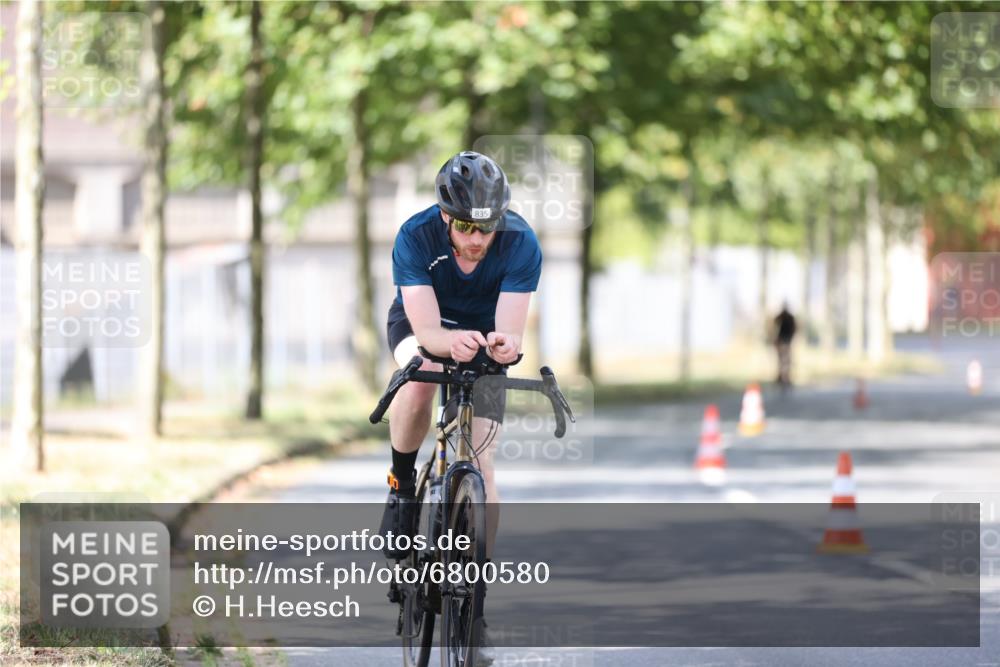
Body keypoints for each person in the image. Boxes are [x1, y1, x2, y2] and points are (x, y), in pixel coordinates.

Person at [379, 150, 542, 664]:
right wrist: (450, 343)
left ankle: (476, 604)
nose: (477, 240)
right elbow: (426, 332)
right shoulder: (416, 236)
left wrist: (505, 348)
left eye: (487, 229)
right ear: (446, 216)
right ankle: (403, 484)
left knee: (483, 460)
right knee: (420, 380)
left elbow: (512, 332)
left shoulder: (521, 243)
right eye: (467, 227)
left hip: (483, 337)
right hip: (422, 325)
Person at [773, 302, 797, 388]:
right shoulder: (782, 316)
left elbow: (794, 328)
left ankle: (785, 378)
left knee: (785, 361)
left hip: (786, 341)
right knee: (783, 360)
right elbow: (774, 323)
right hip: (782, 341)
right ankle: (782, 377)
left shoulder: (789, 317)